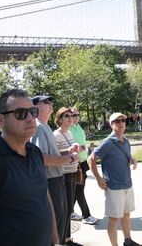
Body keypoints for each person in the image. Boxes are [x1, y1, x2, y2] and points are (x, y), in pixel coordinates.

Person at [0, 89, 59, 246]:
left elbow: (45, 197)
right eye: (20, 113)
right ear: (1, 120)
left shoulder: (35, 153)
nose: (31, 118)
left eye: (33, 111)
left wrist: (55, 241)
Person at [87, 112, 142, 246]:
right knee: (113, 219)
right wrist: (98, 179)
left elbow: (127, 157)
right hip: (113, 186)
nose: (121, 123)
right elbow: (91, 160)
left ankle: (128, 241)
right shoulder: (107, 142)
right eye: (117, 121)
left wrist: (133, 159)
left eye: (123, 120)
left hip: (127, 184)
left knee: (126, 215)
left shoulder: (126, 141)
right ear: (111, 125)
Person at [31, 95, 76, 246]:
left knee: (61, 219)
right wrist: (69, 159)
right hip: (50, 182)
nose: (50, 104)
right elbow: (42, 158)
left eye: (50, 101)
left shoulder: (44, 126)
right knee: (56, 223)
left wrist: (67, 152)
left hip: (56, 180)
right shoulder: (38, 127)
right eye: (45, 102)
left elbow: (51, 154)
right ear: (35, 107)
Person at [53, 107, 83, 246]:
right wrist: (69, 153)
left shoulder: (70, 133)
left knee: (70, 208)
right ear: (59, 119)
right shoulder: (56, 135)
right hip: (63, 174)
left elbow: (71, 151)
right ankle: (62, 240)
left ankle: (67, 239)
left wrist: (78, 148)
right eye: (67, 116)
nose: (70, 118)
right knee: (64, 209)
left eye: (71, 116)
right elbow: (55, 155)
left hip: (72, 172)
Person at [69, 107, 99, 225]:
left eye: (77, 115)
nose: (76, 117)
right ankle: (86, 215)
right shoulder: (68, 129)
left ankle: (69, 211)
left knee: (78, 189)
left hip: (83, 162)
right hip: (74, 164)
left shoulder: (78, 127)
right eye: (73, 115)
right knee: (79, 190)